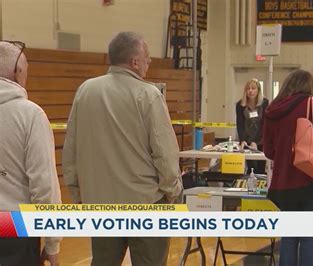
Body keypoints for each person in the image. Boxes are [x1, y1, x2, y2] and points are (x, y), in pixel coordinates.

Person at [62, 32, 183, 266]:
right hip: (145, 204)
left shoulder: (85, 91)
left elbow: (71, 151)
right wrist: (172, 193)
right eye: (147, 59)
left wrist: (78, 195)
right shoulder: (149, 95)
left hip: (101, 205)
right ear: (134, 62)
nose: (149, 64)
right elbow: (165, 154)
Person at [263, 70, 313, 265]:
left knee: (288, 237)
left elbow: (268, 150)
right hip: (311, 181)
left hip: (283, 184)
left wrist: (285, 156)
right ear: (309, 86)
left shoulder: (272, 110)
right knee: (308, 237)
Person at [0, 41, 61, 265]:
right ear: (18, 71)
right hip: (15, 229)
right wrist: (53, 242)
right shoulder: (30, 115)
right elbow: (44, 185)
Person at [236, 78, 269, 174]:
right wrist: (243, 140)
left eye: (253, 88)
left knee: (260, 168)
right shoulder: (240, 105)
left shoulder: (264, 103)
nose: (250, 91)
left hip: (261, 139)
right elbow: (240, 124)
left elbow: (264, 124)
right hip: (247, 139)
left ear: (258, 90)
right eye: (248, 88)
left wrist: (256, 142)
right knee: (250, 168)